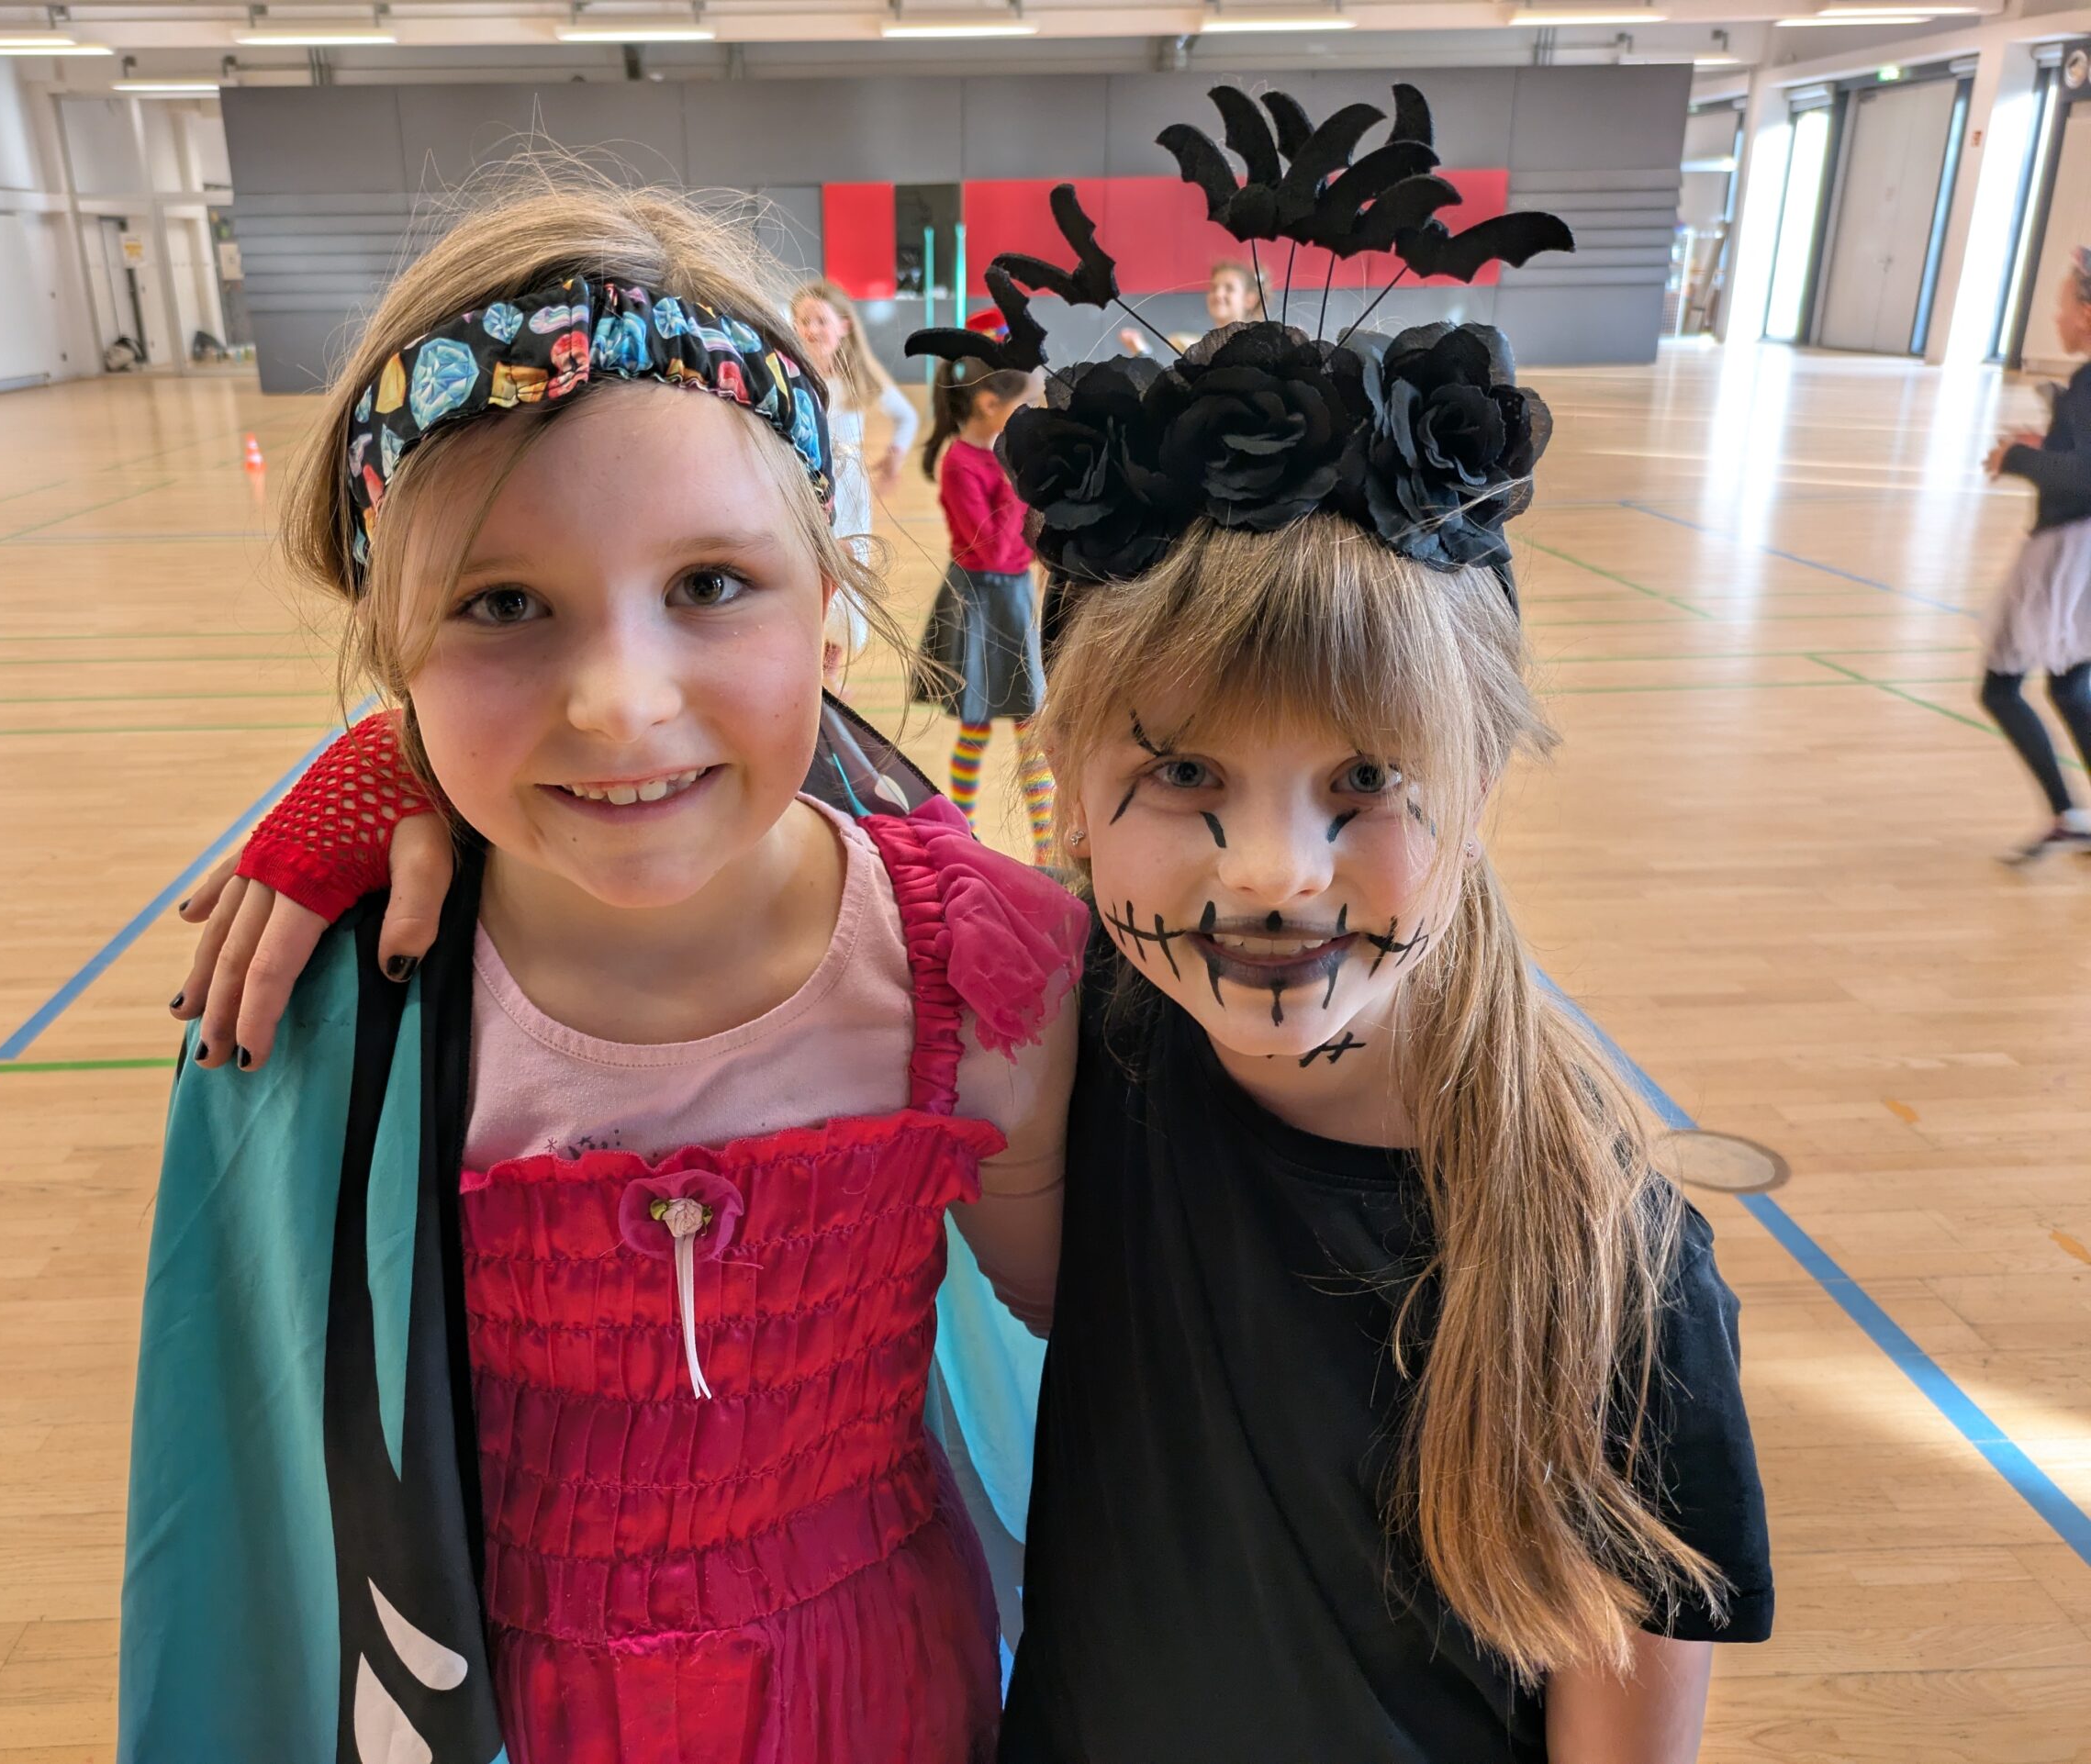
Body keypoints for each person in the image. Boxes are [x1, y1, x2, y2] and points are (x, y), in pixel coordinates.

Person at [166, 81, 1772, 1763]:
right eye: (1185, 775)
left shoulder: (1579, 1251)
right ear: (1066, 775)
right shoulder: (1097, 1025)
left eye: (1366, 781)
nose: (1271, 875)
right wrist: (391, 764)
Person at [118, 168, 1090, 1764]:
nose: (621, 702)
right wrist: (390, 769)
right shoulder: (346, 1007)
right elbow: (243, 1483)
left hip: (884, 1700)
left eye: (709, 584)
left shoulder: (979, 973)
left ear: (833, 611)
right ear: (394, 656)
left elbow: (1127, 1352)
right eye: (504, 603)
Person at [920, 352, 1055, 861]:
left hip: (1014, 597)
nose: (1031, 416)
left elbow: (1023, 540)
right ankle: (963, 832)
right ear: (988, 403)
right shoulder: (961, 463)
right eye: (1024, 405)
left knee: (1030, 726)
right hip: (978, 601)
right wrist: (1018, 483)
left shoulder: (1003, 455)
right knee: (974, 725)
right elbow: (992, 548)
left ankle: (1046, 848)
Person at [1982, 247, 2091, 863]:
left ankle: (2067, 815)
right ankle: (2069, 816)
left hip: (2068, 551)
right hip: (2078, 550)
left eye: (2060, 305)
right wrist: (2044, 446)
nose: (2055, 317)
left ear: (2087, 314)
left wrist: (2018, 457)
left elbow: (2086, 476)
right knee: (2071, 687)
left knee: (2000, 687)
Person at [791, 278, 921, 688]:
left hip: (847, 492)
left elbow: (907, 417)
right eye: (803, 321)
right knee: (805, 573)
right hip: (802, 488)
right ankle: (803, 667)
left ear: (843, 325)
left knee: (845, 579)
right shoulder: (791, 374)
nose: (811, 330)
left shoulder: (856, 376)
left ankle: (829, 672)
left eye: (820, 321)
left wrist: (894, 458)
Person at [1117, 256, 1264, 357]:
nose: (1218, 294)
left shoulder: (1259, 347)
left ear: (1250, 299)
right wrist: (1141, 352)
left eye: (1229, 288)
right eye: (1214, 288)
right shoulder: (1197, 347)